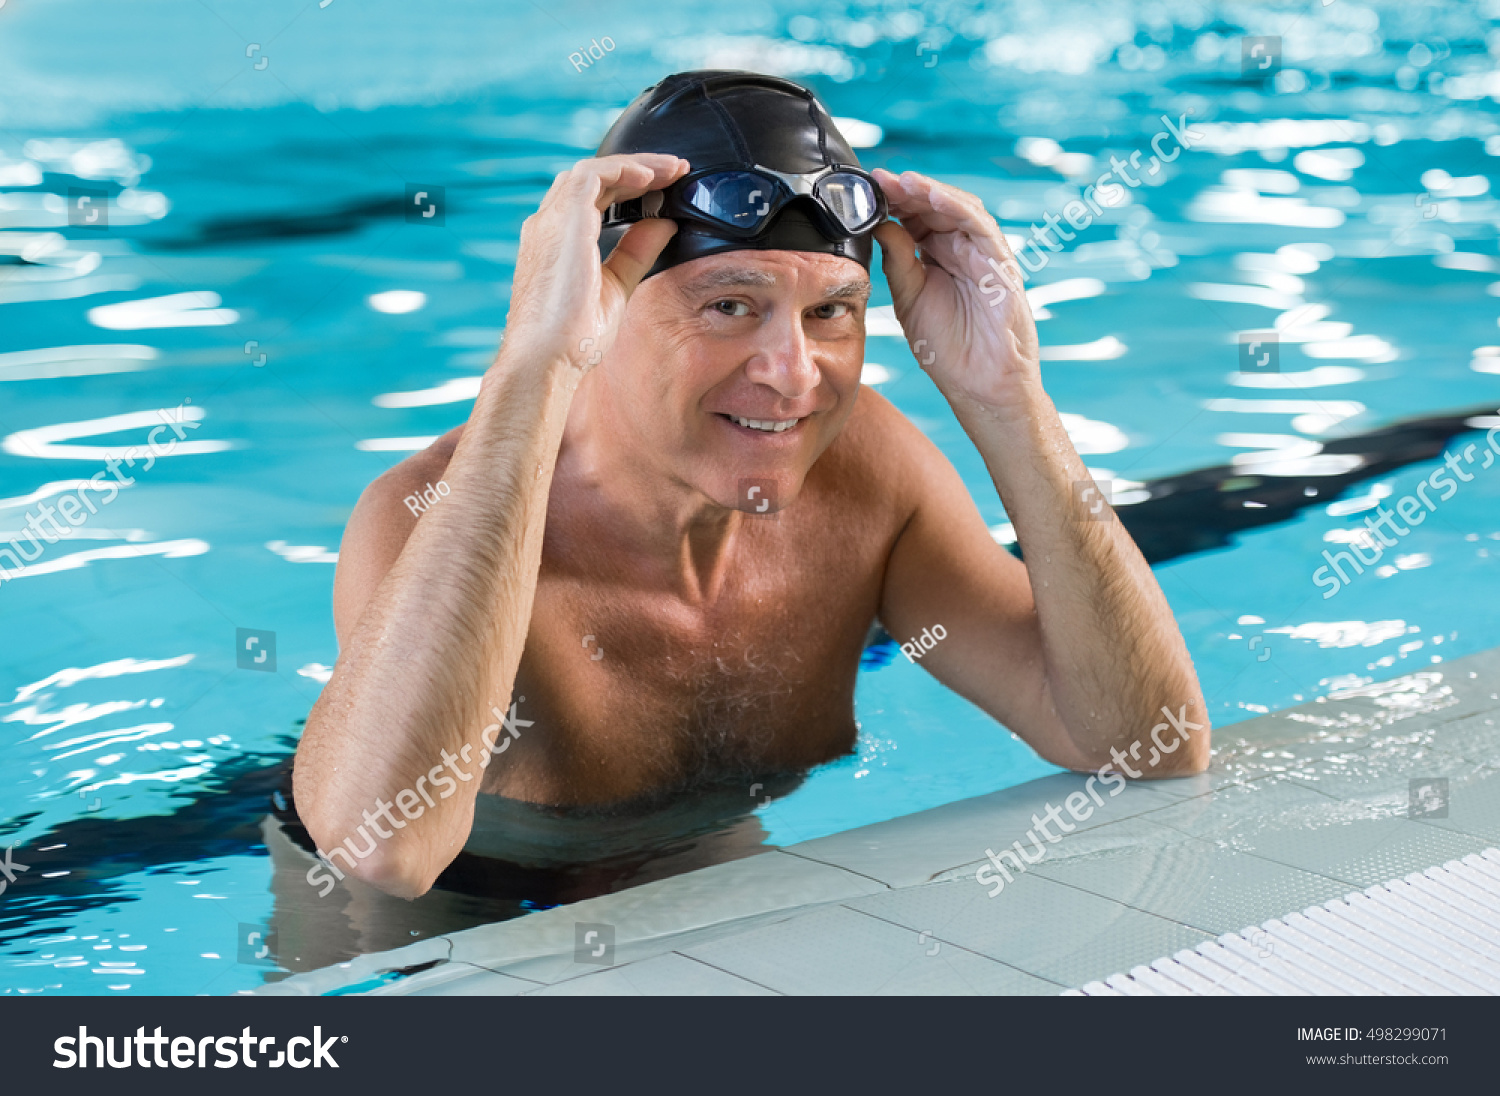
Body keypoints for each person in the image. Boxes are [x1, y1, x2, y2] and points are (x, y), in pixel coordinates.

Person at [292, 70, 1210, 900]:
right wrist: (533, 368)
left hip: (696, 855)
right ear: (603, 305)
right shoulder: (429, 512)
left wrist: (1010, 401)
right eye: (730, 306)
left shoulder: (867, 473)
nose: (794, 373)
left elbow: (1148, 746)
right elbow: (385, 854)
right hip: (428, 911)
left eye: (830, 313)